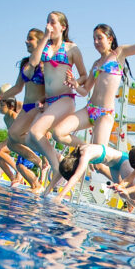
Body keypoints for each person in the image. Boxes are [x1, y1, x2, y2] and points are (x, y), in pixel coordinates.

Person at [56, 3, 135, 150]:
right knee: (58, 132)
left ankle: (107, 155)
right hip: (89, 110)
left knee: (98, 160)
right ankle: (88, 147)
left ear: (110, 39)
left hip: (105, 113)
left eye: (99, 38)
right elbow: (85, 91)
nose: (96, 42)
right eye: (94, 39)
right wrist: (75, 85)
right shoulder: (95, 63)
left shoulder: (119, 53)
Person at [27, 12, 87, 193]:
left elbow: (84, 75)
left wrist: (75, 82)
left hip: (65, 98)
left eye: (52, 23)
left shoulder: (71, 49)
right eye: (47, 22)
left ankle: (56, 167)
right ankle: (58, 159)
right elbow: (33, 62)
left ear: (63, 27)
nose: (49, 26)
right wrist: (45, 37)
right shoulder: (45, 46)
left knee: (36, 131)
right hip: (50, 100)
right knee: (30, 139)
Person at [54, 143, 135, 219]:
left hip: (123, 161)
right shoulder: (78, 152)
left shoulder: (84, 155)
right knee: (122, 193)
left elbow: (76, 176)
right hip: (113, 165)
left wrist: (60, 196)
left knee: (134, 194)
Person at [0, 28, 49, 179]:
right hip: (26, 108)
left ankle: (46, 156)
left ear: (40, 42)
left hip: (37, 108)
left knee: (15, 136)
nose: (26, 41)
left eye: (30, 39)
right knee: (12, 142)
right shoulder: (25, 64)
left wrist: (45, 103)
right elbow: (17, 88)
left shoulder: (45, 64)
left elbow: (51, 88)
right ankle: (41, 162)